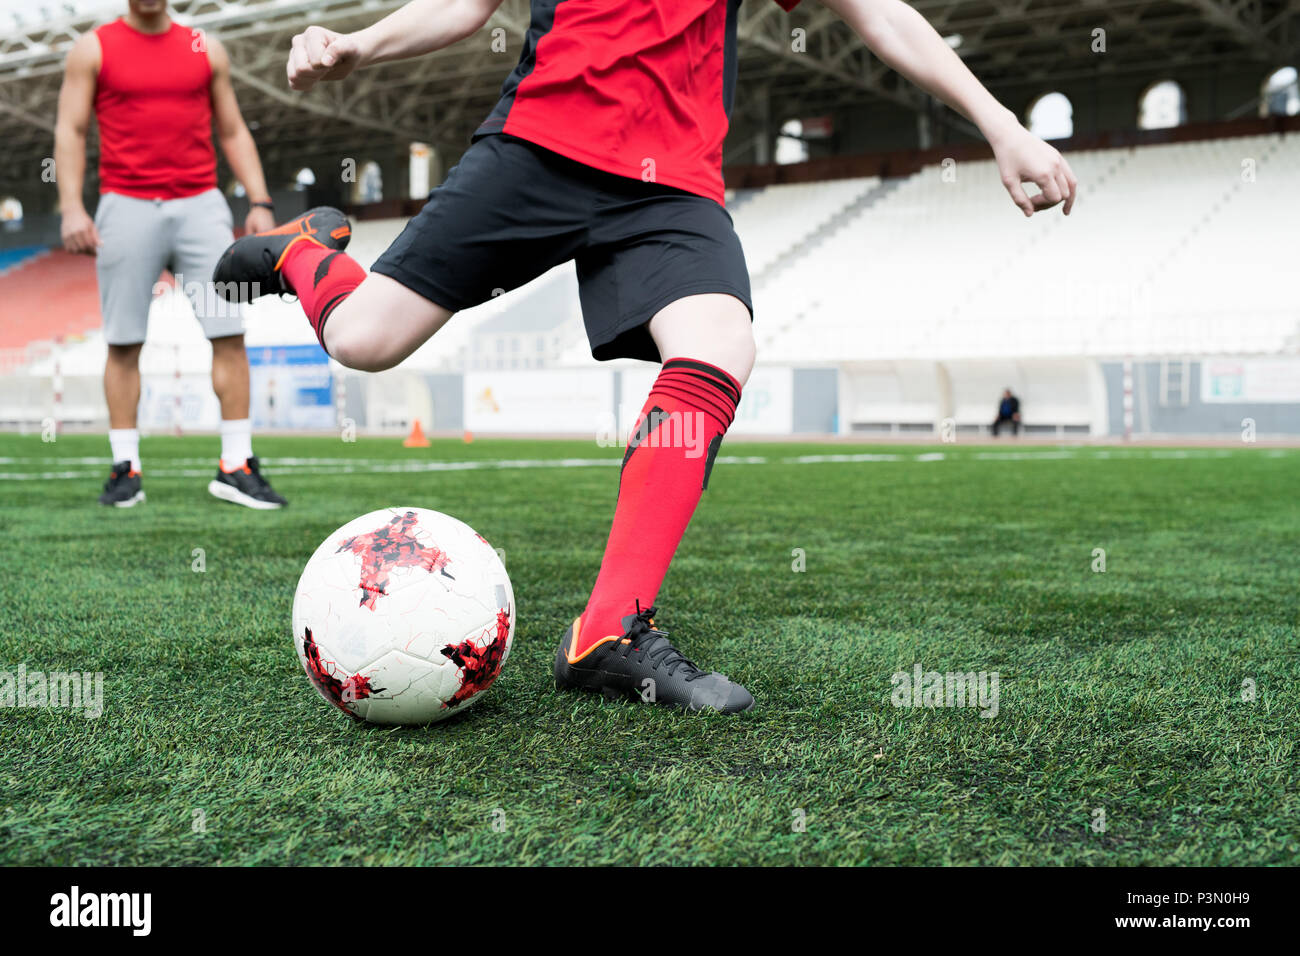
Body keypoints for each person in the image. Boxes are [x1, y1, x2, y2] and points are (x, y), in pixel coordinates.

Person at [214, 0, 1078, 712]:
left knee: (719, 344)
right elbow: (467, 6)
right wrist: (356, 46)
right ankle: (301, 252)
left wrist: (1002, 126)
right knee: (365, 340)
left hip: (671, 184)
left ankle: (608, 631)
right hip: (537, 148)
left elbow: (878, 12)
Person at [55, 0, 288, 509]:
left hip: (201, 203)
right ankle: (125, 469)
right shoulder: (93, 47)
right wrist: (72, 207)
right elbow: (70, 131)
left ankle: (236, 464)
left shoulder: (206, 48)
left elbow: (232, 130)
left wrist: (260, 200)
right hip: (125, 204)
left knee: (228, 331)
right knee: (123, 341)